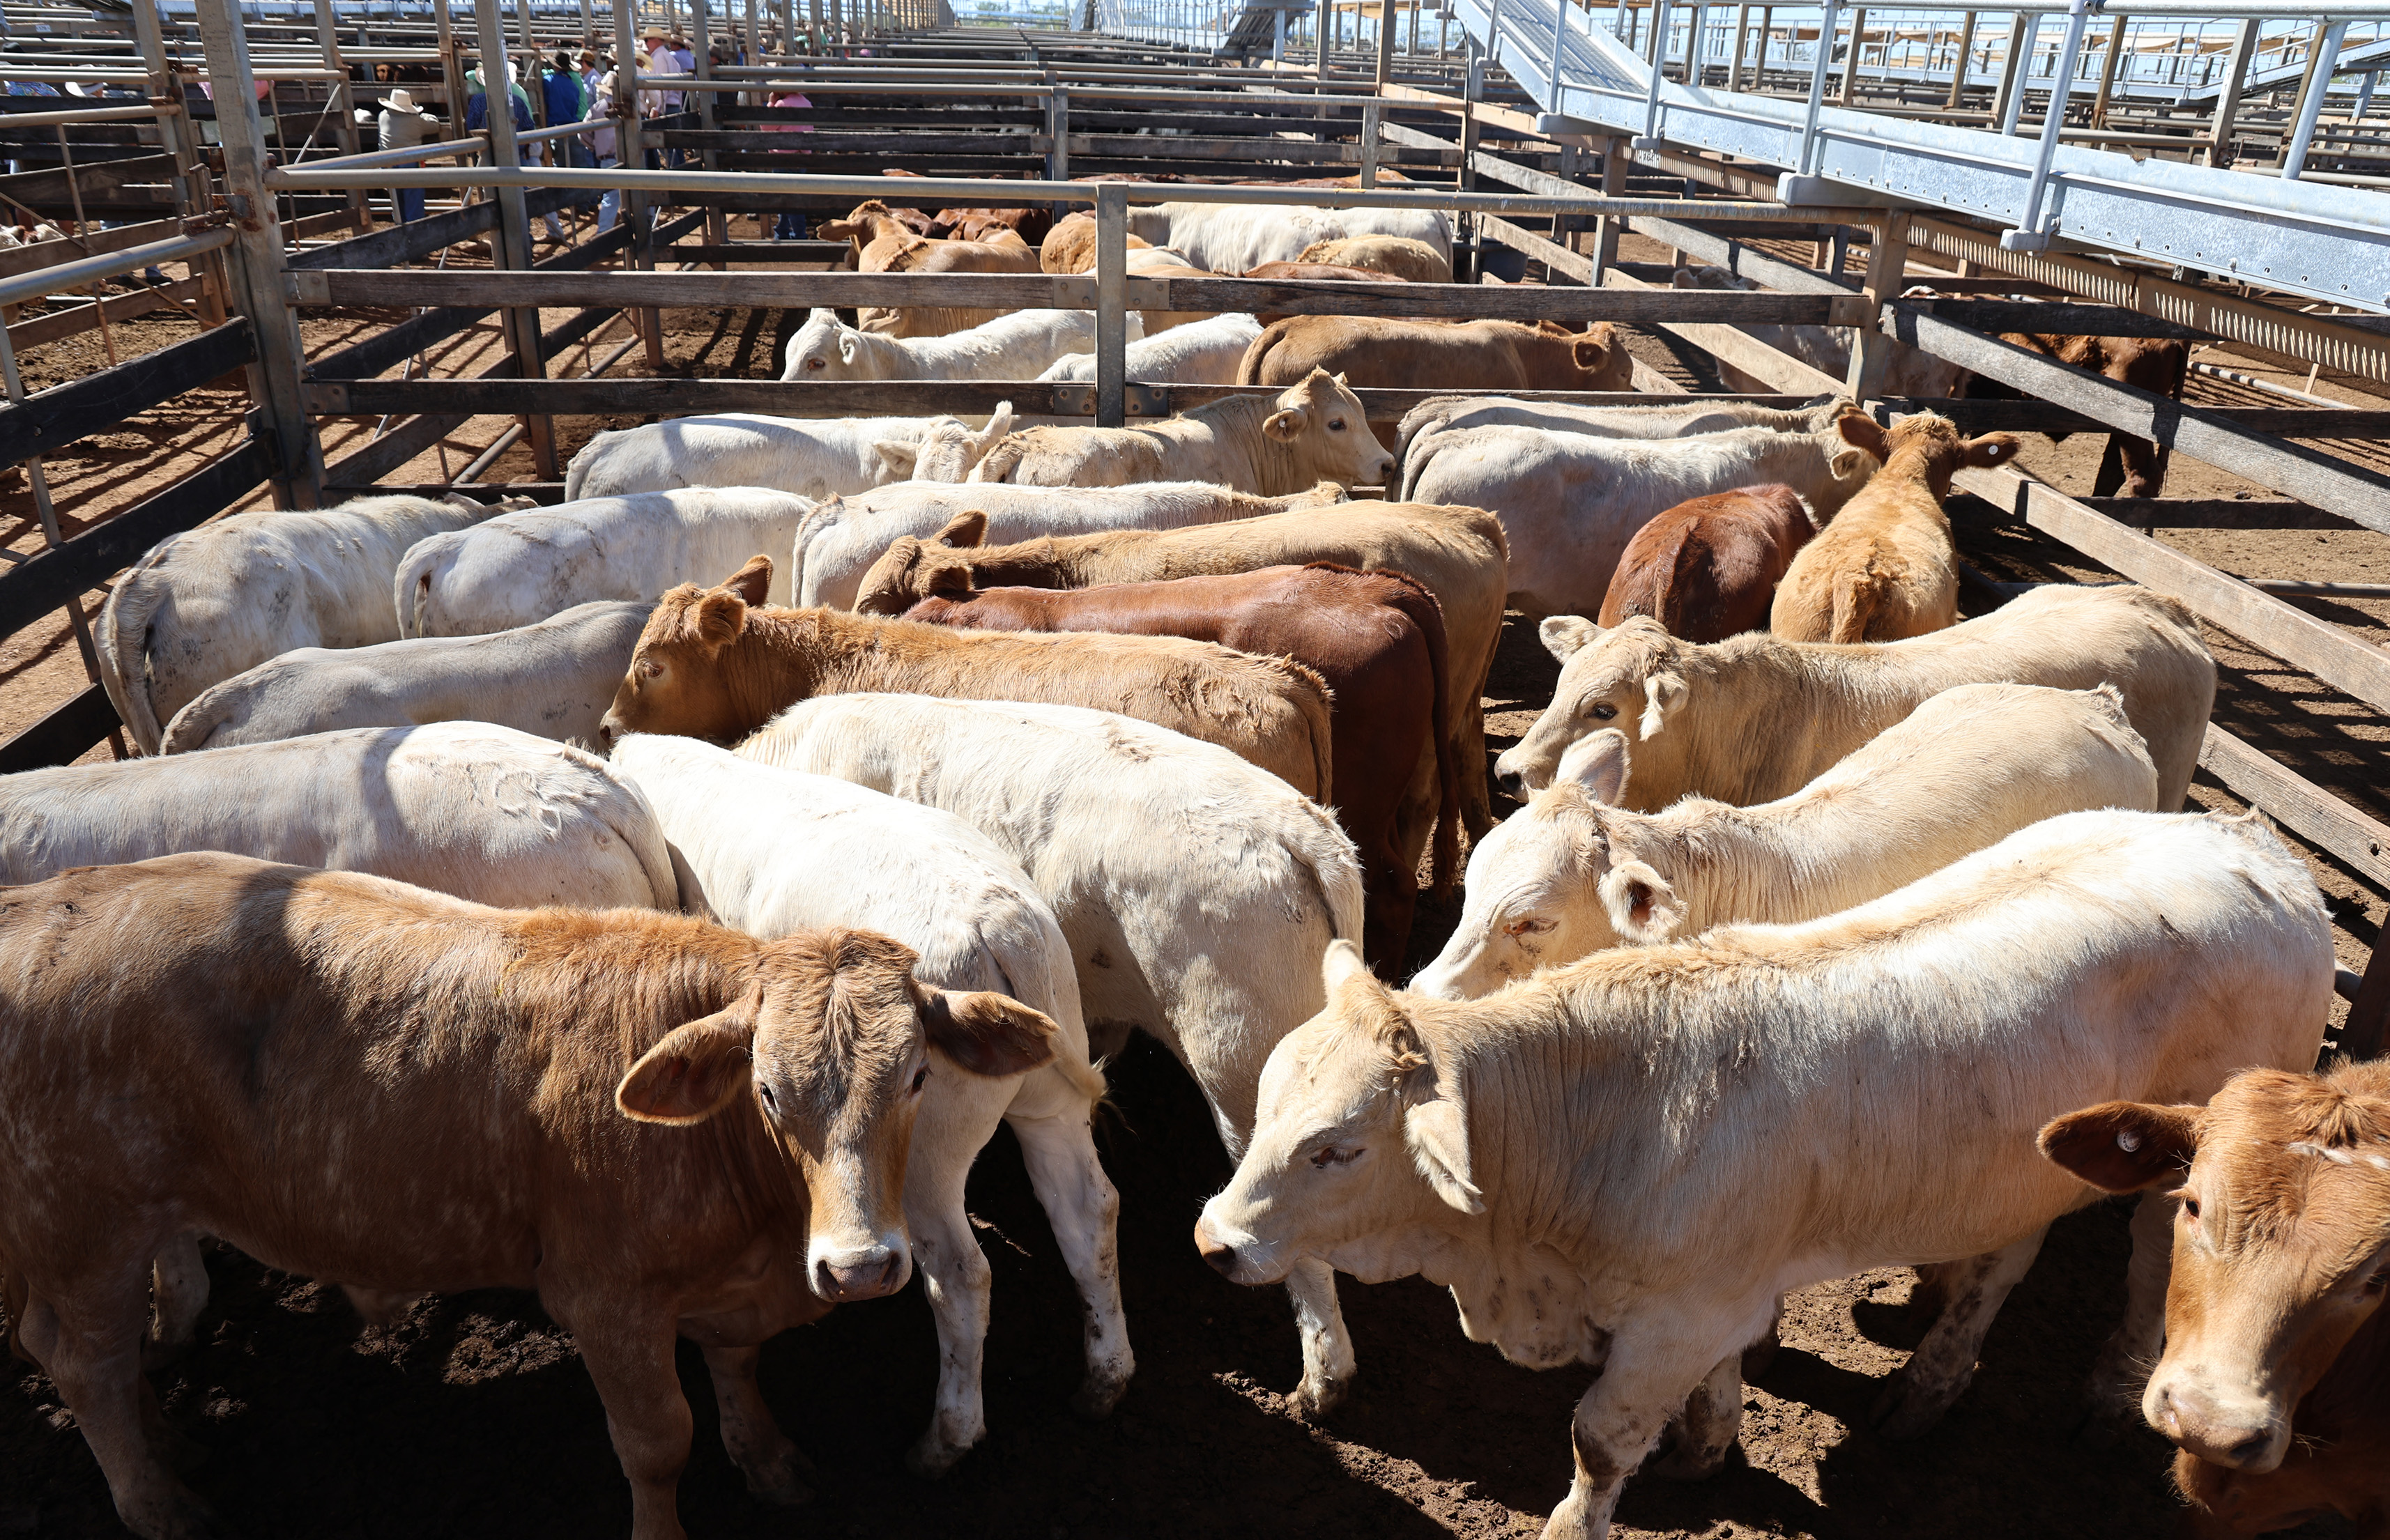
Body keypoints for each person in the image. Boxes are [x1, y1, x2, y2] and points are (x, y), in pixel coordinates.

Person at [378, 85, 438, 226]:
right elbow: (434, 125)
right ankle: (415, 226)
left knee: (396, 197)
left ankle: (400, 224)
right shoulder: (415, 121)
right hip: (410, 161)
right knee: (413, 195)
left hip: (387, 162)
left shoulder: (383, 116)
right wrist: (424, 115)